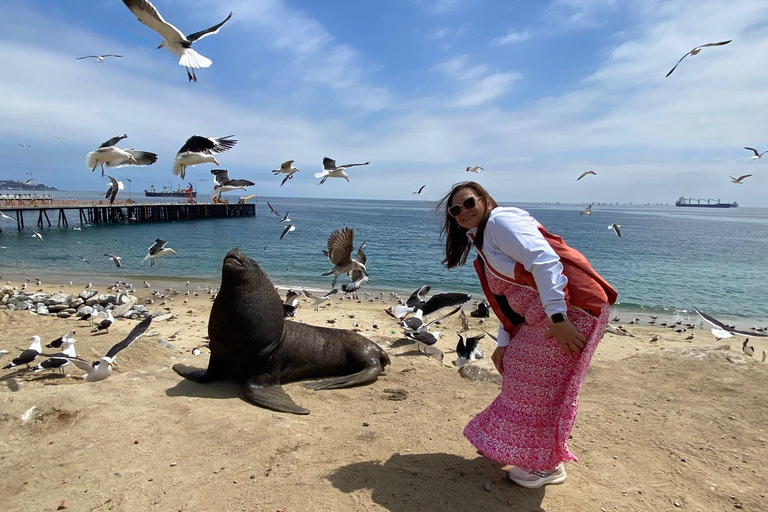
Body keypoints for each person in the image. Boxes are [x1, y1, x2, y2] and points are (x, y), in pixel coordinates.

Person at [438, 181, 617, 489]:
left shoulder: (499, 222)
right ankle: (520, 449)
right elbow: (511, 301)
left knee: (542, 389)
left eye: (469, 203)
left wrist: (558, 318)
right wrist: (504, 343)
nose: (463, 211)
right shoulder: (483, 240)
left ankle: (546, 467)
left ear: (484, 200)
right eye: (456, 209)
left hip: (572, 313)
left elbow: (545, 261)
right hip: (544, 317)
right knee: (517, 370)